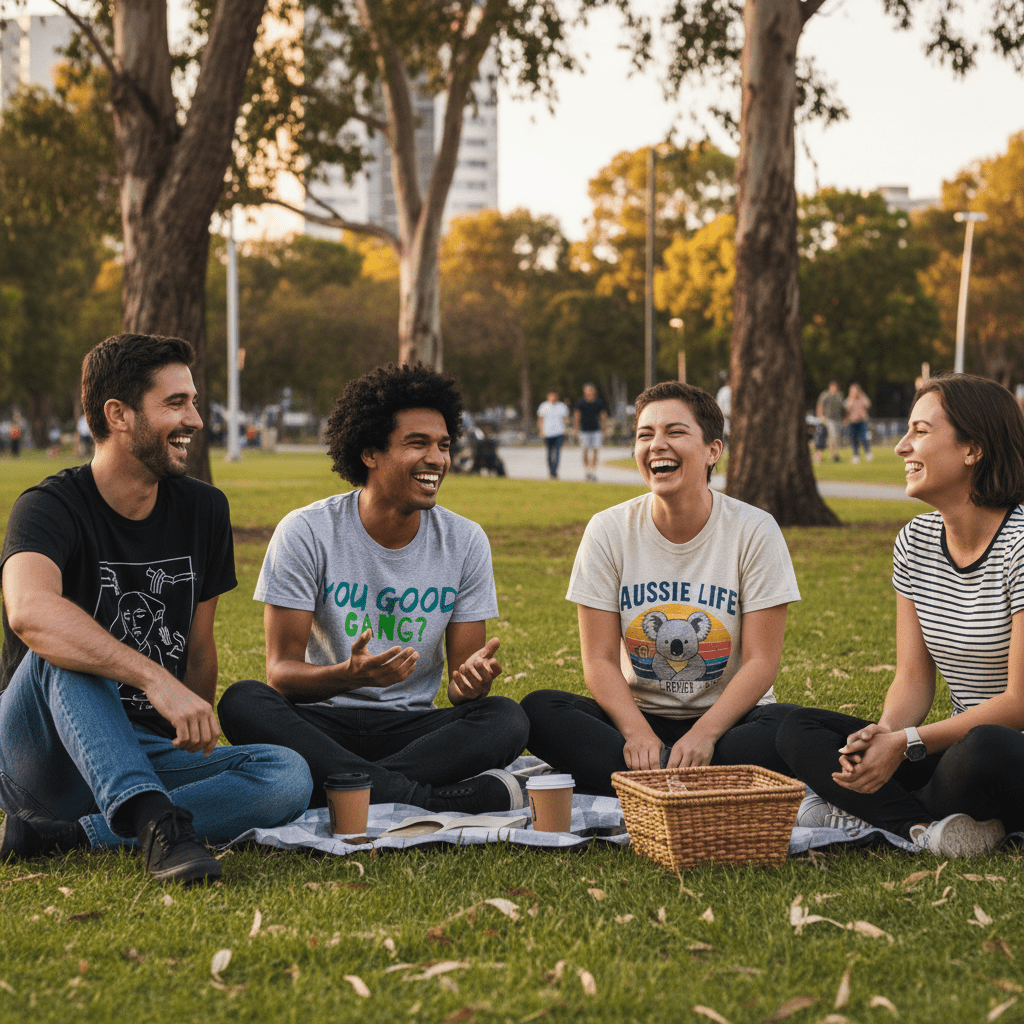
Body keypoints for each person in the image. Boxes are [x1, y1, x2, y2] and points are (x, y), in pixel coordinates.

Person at [0, 334, 312, 882]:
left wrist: (192, 719)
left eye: (193, 401)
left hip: (144, 748)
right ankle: (154, 823)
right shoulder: (48, 508)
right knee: (62, 641)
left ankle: (73, 834)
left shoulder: (203, 509)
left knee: (286, 774)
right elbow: (30, 613)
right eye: (175, 403)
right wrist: (152, 679)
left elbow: (198, 646)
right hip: (40, 751)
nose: (195, 418)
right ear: (117, 415)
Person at [217, 362, 530, 815]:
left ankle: (341, 784)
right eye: (417, 444)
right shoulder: (306, 531)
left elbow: (462, 691)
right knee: (243, 701)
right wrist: (347, 676)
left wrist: (470, 683)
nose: (437, 459)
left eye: (443, 445)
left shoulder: (465, 541)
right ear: (370, 453)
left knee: (507, 719)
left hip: (412, 727)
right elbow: (281, 675)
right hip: (323, 719)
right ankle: (418, 797)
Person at [778, 373, 1024, 857]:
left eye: (921, 432)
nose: (901, 447)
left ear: (973, 449)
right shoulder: (914, 543)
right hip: (952, 749)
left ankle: (862, 810)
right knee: (794, 728)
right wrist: (884, 735)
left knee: (982, 749)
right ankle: (921, 828)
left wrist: (909, 742)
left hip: (1006, 752)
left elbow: (1018, 702)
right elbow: (913, 678)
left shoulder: (1020, 544)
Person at [521, 381, 802, 795]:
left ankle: (645, 784)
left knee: (794, 731)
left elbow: (761, 662)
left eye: (675, 432)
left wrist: (704, 735)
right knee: (539, 711)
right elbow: (598, 661)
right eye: (645, 435)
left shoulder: (754, 529)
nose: (657, 445)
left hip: (730, 723)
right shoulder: (608, 530)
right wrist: (636, 734)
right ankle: (700, 781)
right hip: (638, 718)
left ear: (713, 451)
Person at [574, 383, 608, 482]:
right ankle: (587, 470)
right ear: (584, 392)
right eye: (588, 390)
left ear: (594, 391)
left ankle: (593, 471)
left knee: (595, 450)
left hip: (596, 430)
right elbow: (577, 415)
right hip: (584, 430)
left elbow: (603, 415)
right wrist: (576, 427)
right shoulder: (580, 402)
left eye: (591, 390)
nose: (589, 392)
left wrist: (604, 427)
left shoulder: (599, 402)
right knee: (585, 450)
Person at [537, 389, 570, 479]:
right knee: (549, 453)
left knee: (557, 453)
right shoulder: (543, 406)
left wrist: (566, 429)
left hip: (559, 432)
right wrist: (541, 430)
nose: (553, 398)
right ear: (548, 396)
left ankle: (555, 471)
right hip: (547, 433)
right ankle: (551, 470)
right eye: (551, 396)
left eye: (554, 396)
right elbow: (540, 419)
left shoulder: (562, 406)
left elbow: (566, 419)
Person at [815, 381, 845, 463]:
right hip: (828, 418)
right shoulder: (825, 394)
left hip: (837, 419)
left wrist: (844, 418)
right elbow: (820, 405)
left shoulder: (840, 395)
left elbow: (842, 408)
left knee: (836, 437)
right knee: (832, 436)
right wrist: (820, 416)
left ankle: (834, 454)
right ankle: (833, 454)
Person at [845, 383, 873, 464]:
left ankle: (867, 453)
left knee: (864, 437)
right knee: (854, 439)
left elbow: (868, 405)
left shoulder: (863, 398)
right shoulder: (848, 400)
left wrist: (862, 397)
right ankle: (856, 455)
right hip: (852, 422)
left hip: (862, 421)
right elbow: (846, 409)